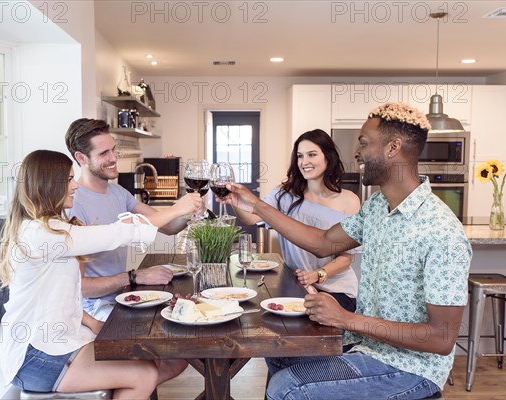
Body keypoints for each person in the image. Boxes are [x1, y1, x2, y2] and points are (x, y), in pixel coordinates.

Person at [226, 103, 472, 400]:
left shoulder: (441, 230)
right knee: (280, 352)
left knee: (287, 387)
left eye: (364, 143)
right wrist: (255, 205)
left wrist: (346, 319)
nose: (357, 153)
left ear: (393, 148)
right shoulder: (377, 208)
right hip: (367, 347)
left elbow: (442, 338)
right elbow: (322, 242)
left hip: (410, 368)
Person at [0, 150, 199, 397]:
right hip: (36, 357)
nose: (75, 186)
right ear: (48, 185)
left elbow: (55, 296)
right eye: (69, 180)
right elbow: (116, 233)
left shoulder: (47, 229)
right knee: (143, 374)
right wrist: (177, 209)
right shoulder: (42, 234)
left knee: (157, 363)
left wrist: (92, 323)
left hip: (56, 344)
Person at [65, 118, 203, 321]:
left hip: (124, 295)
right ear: (81, 158)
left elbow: (166, 226)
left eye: (113, 149)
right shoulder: (74, 204)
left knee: (189, 315)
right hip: (97, 308)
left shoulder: (118, 192)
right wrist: (134, 276)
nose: (114, 158)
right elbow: (81, 287)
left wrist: (189, 214)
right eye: (104, 153)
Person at [232, 129, 360, 311]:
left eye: (312, 155)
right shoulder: (283, 194)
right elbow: (250, 218)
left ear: (328, 157)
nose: (304, 162)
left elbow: (346, 258)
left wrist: (317, 275)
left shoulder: (349, 201)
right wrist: (234, 200)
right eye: (300, 156)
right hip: (296, 285)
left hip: (337, 290)